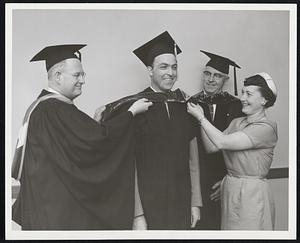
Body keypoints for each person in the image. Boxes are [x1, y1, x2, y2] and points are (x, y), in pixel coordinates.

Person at [11, 44, 152, 230]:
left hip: (45, 204)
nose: (83, 80)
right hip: (57, 212)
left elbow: (77, 144)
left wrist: (95, 123)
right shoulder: (55, 109)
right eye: (77, 75)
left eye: (82, 75)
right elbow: (97, 142)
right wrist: (130, 114)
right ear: (57, 76)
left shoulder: (42, 108)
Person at [187, 72, 278, 230]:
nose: (242, 98)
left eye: (248, 94)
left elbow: (222, 142)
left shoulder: (266, 128)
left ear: (264, 100)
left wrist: (202, 118)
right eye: (242, 92)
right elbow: (212, 147)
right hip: (230, 189)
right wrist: (200, 118)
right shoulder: (237, 122)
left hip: (252, 192)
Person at [131, 31, 202, 230]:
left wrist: (195, 202)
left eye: (174, 67)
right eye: (163, 67)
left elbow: (193, 158)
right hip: (150, 203)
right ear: (149, 70)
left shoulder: (185, 105)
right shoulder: (137, 108)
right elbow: (131, 164)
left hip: (182, 200)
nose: (170, 72)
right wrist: (138, 214)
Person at [192, 50, 245, 230]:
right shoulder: (190, 104)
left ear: (226, 80)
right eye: (207, 73)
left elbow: (243, 151)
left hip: (226, 179)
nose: (211, 79)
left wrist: (227, 181)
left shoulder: (237, 106)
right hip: (196, 182)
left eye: (217, 75)